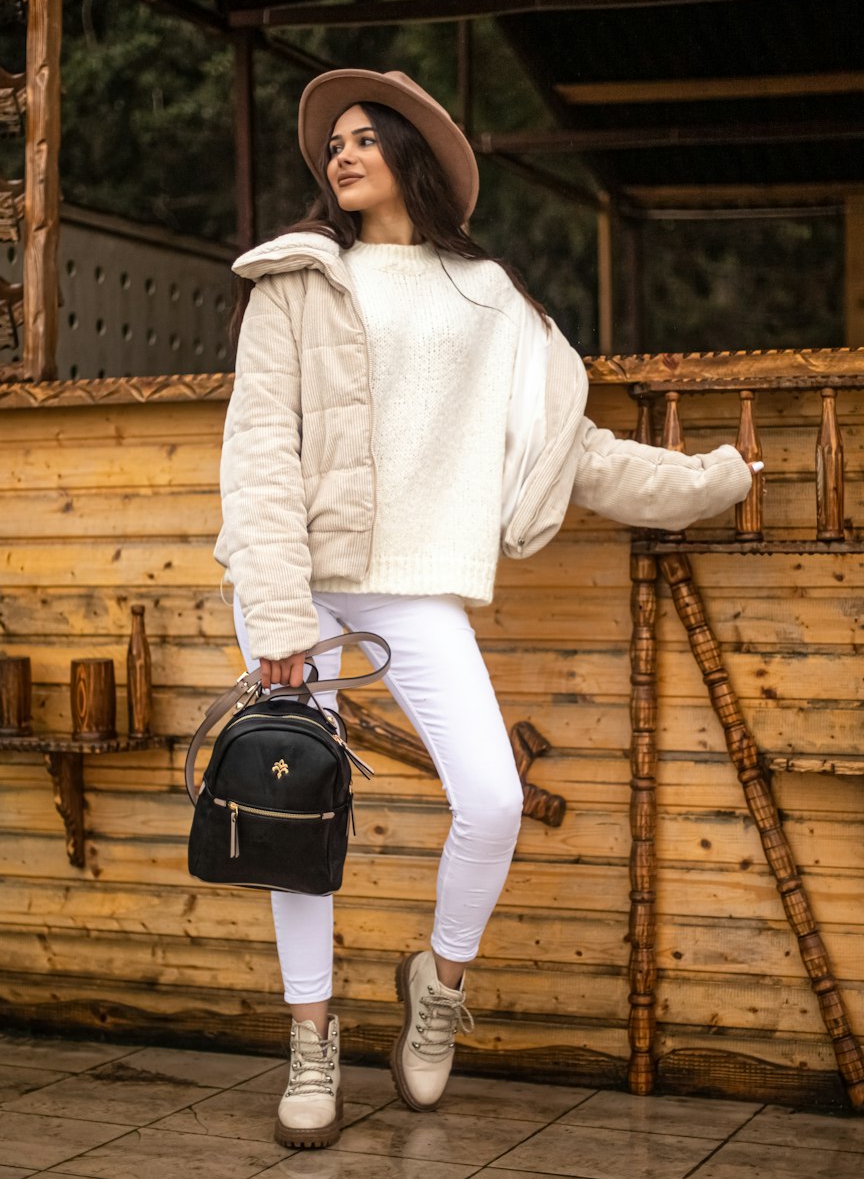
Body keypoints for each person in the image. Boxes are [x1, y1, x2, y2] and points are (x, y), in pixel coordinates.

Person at [215, 68, 758, 1150]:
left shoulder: (493, 299)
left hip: (419, 588)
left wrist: (709, 483)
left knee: (495, 799)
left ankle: (439, 982)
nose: (342, 155)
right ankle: (311, 1036)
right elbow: (259, 453)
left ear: (413, 153)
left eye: (365, 138)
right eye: (333, 145)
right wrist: (275, 611)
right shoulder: (294, 283)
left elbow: (576, 451)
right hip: (299, 588)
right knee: (295, 816)